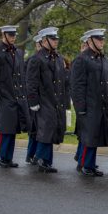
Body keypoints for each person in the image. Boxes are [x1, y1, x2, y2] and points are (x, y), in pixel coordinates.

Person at [0, 25, 30, 168]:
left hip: (16, 95)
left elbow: (21, 76)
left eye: (14, 35)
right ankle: (0, 154)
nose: (13, 38)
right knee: (5, 128)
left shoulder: (17, 52)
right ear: (3, 35)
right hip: (2, 95)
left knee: (13, 128)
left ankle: (8, 157)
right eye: (10, 35)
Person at [26, 27, 69, 173]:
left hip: (55, 100)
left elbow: (61, 81)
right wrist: (33, 102)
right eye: (53, 39)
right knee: (45, 130)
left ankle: (46, 161)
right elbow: (31, 82)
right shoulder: (36, 59)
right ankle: (41, 159)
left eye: (56, 39)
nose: (56, 41)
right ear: (44, 41)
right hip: (43, 101)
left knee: (51, 130)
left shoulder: (57, 57)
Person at [71, 29, 108, 177]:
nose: (102, 41)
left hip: (99, 105)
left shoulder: (102, 59)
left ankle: (89, 164)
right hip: (88, 106)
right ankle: (85, 165)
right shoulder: (82, 59)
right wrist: (80, 108)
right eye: (98, 39)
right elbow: (77, 86)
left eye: (102, 39)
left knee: (94, 136)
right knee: (89, 137)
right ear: (90, 41)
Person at [25, 33, 42, 165]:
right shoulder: (33, 59)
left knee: (40, 129)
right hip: (34, 99)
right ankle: (30, 154)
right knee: (34, 129)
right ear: (37, 45)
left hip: (43, 100)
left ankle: (35, 154)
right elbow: (30, 82)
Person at [73, 33, 89, 167]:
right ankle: (80, 159)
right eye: (84, 45)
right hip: (82, 102)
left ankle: (80, 156)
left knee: (85, 133)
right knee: (83, 133)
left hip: (88, 102)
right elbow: (77, 85)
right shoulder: (79, 60)